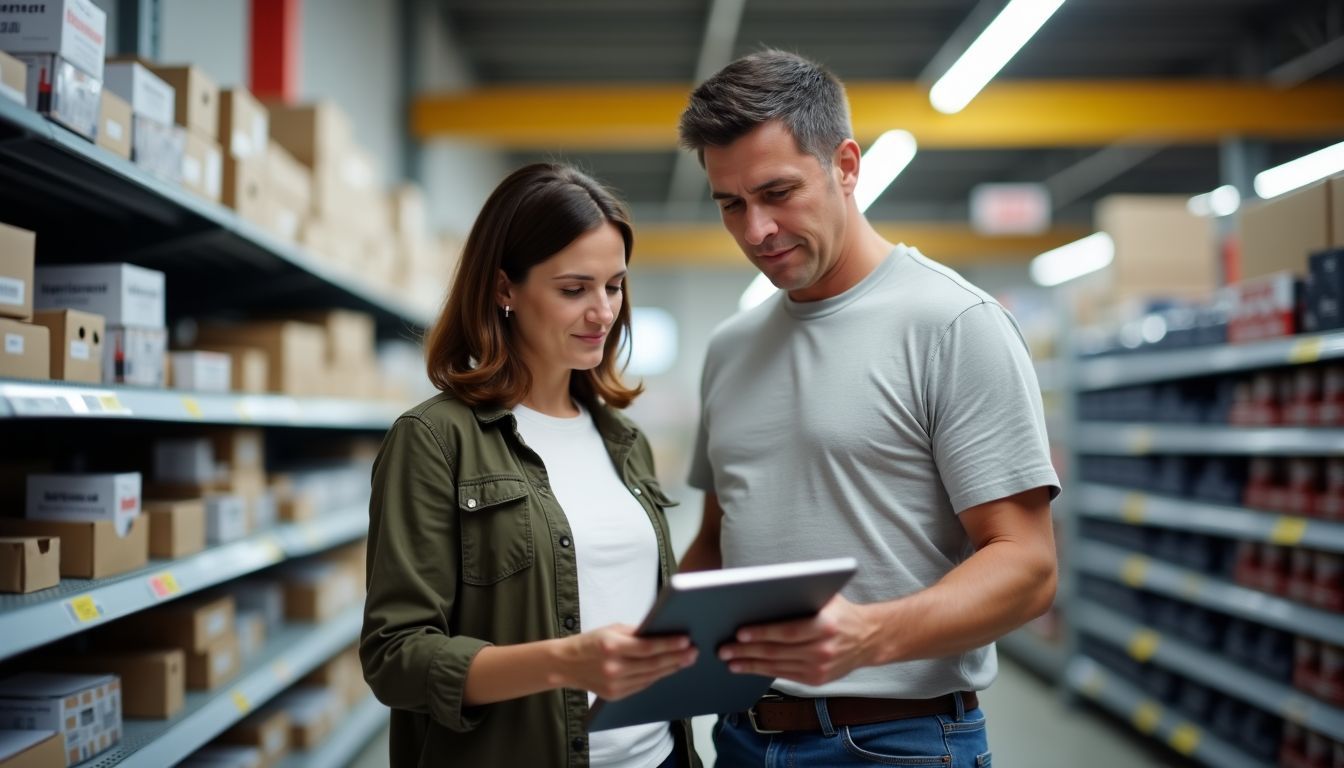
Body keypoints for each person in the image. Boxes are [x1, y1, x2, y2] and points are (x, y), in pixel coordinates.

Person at [676, 50, 1061, 766]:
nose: (755, 229)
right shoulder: (730, 349)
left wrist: (870, 633)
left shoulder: (952, 323)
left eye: (777, 192)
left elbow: (1028, 566)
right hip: (740, 734)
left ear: (846, 165)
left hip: (895, 741)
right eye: (731, 204)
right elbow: (717, 538)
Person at [361, 163, 701, 768]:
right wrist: (566, 661)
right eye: (574, 289)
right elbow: (396, 656)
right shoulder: (435, 441)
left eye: (615, 286)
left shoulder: (624, 441)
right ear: (503, 289)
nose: (603, 313)